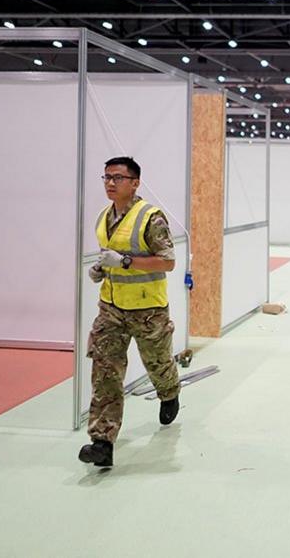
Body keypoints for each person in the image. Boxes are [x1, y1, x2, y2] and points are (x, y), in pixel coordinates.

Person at [79, 156, 182, 468]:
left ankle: (169, 392)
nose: (111, 183)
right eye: (107, 177)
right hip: (111, 308)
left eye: (118, 178)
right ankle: (102, 442)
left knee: (158, 363)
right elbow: (111, 255)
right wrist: (102, 269)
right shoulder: (103, 217)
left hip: (148, 309)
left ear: (135, 183)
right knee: (105, 372)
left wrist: (123, 262)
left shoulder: (151, 218)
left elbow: (167, 262)